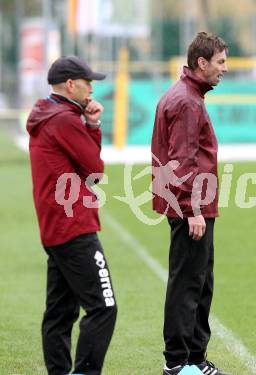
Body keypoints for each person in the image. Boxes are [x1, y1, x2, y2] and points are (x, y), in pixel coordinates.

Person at [27, 56, 117, 374]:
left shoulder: (46, 114)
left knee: (60, 314)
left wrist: (87, 124)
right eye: (88, 82)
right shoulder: (64, 119)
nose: (92, 88)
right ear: (70, 85)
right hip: (73, 227)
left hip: (54, 227)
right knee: (104, 307)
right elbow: (95, 170)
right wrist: (93, 125)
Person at [151, 32, 230, 375]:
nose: (225, 69)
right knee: (187, 283)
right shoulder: (186, 101)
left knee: (200, 282)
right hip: (190, 208)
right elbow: (183, 161)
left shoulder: (189, 96)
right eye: (221, 62)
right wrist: (193, 208)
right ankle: (178, 363)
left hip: (195, 205)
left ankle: (195, 359)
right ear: (202, 62)